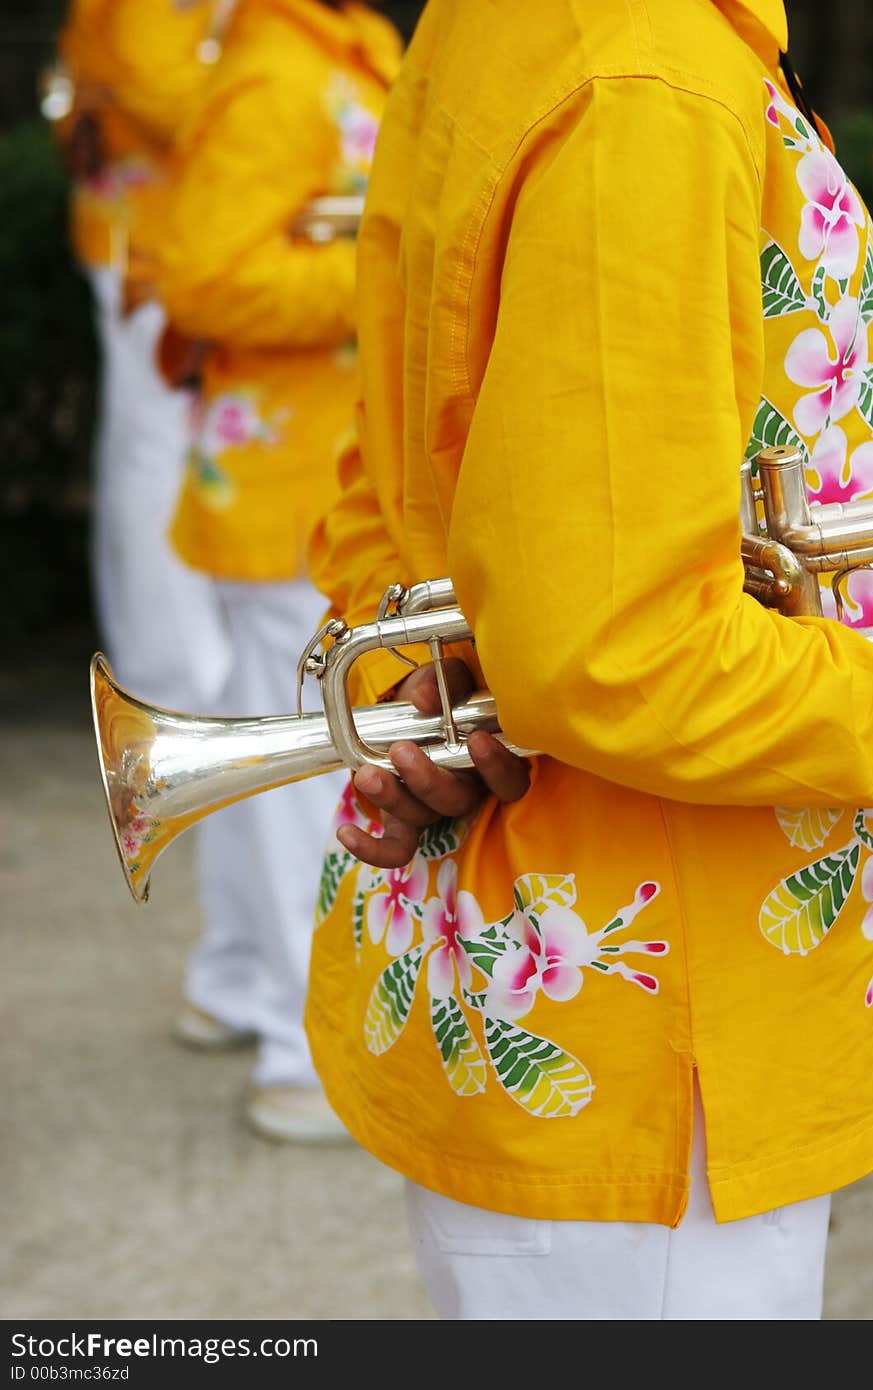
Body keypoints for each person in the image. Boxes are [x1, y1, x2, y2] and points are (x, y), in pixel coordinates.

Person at [305, 0, 873, 1318]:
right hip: (661, 1034)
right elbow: (621, 654)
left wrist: (414, 692)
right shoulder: (645, 74)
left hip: (576, 983)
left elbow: (396, 469)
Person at [150, 0, 402, 1141]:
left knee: (277, 751)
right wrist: (386, 270)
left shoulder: (330, 55)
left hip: (302, 476)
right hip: (282, 486)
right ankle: (300, 1054)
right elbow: (199, 277)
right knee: (300, 765)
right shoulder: (277, 73)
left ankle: (238, 980)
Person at [50, 0, 234, 710]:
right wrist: (280, 102)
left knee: (149, 453)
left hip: (159, 237)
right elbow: (166, 93)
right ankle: (175, 680)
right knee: (155, 457)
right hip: (153, 244)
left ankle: (173, 673)